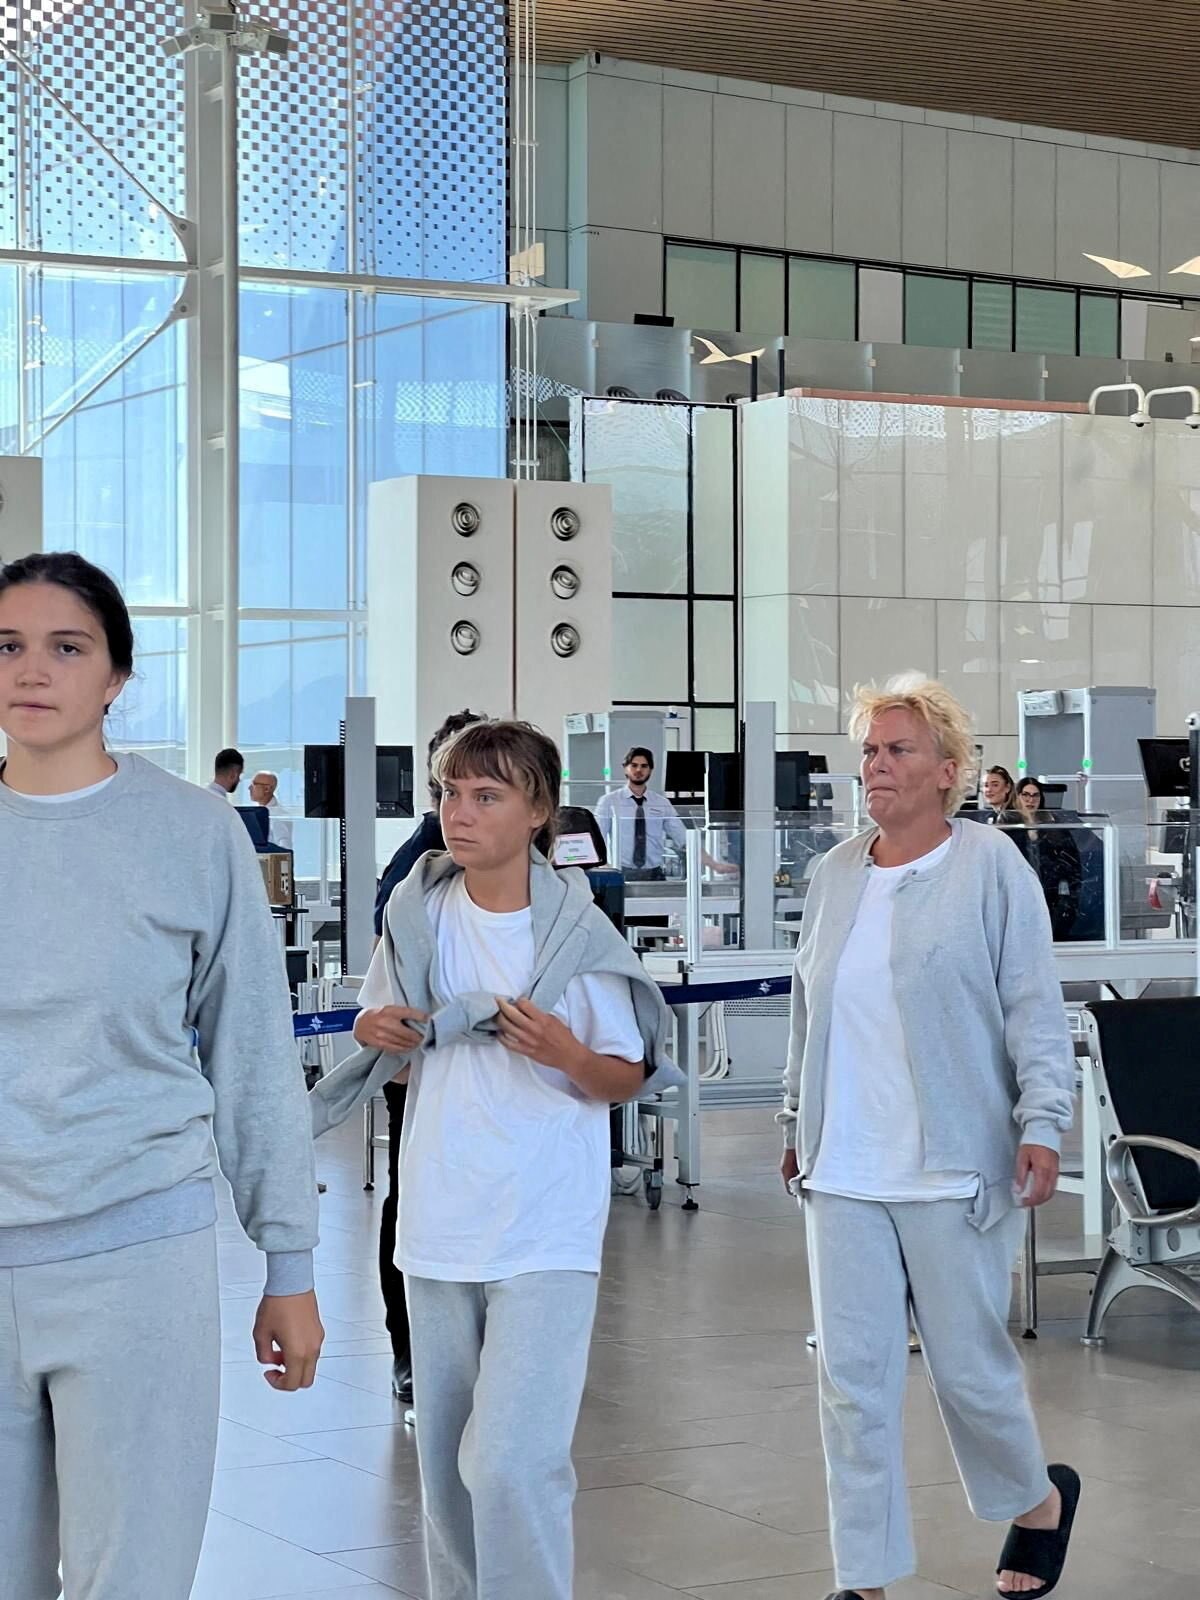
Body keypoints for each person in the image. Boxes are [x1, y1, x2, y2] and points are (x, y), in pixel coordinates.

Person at [0, 552, 324, 1600]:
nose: (31, 670)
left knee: (130, 1580)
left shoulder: (194, 831)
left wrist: (290, 1264)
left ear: (115, 679)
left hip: (139, 1255)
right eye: (8, 646)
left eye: (66, 646)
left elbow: (251, 1049)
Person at [310, 720, 682, 1600]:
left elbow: (625, 1075)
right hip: (439, 1220)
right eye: (449, 794)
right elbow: (379, 1019)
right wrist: (376, 1027)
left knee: (511, 1463)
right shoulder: (416, 912)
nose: (460, 814)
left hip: (547, 1223)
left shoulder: (577, 935)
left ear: (538, 811)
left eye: (487, 796)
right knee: (445, 1474)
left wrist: (561, 1051)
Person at [779, 675, 1079, 1600]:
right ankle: (862, 1579)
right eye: (869, 748)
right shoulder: (835, 875)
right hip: (845, 1170)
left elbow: (1032, 1004)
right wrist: (798, 1119)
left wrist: (1043, 1121)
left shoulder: (991, 868)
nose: (876, 764)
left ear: (949, 770)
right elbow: (810, 1011)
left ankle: (1037, 1505)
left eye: (898, 749)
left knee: (971, 1373)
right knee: (851, 1382)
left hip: (954, 1165)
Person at [372, 707, 485, 1406]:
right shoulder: (415, 870)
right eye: (454, 785)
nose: (465, 804)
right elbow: (386, 988)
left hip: (504, 1088)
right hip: (424, 1072)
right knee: (412, 1202)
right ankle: (411, 1351)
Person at [593, 746, 737, 880]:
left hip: (654, 874)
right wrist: (604, 867)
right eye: (634, 765)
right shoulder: (609, 801)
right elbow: (598, 840)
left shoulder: (661, 803)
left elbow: (684, 839)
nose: (639, 770)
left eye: (644, 766)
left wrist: (715, 865)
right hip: (620, 872)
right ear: (625, 769)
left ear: (650, 770)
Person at [1014, 778, 1081, 942]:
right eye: (1026, 795)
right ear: (1018, 797)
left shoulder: (1052, 827)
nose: (1031, 800)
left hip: (1049, 893)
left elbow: (1070, 863)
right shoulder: (1010, 826)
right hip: (1020, 893)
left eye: (1035, 796)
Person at [249, 767, 294, 851]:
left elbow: (284, 848)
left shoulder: (278, 815)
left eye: (253, 784)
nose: (249, 788)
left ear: (267, 789)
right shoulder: (260, 811)